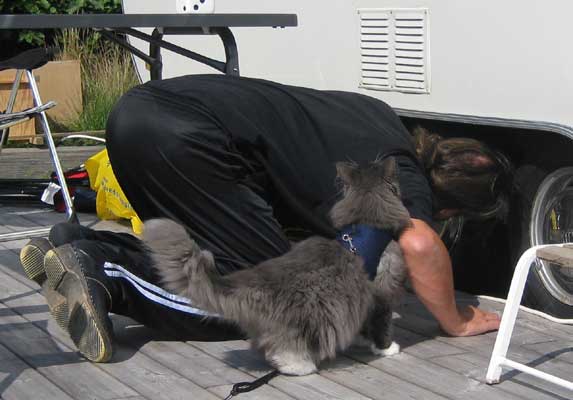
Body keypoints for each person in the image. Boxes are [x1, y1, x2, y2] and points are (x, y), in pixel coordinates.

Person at [19, 74, 512, 363]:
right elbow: (420, 245)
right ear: (450, 204)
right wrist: (456, 319)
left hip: (141, 112)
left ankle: (80, 247)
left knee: (229, 259)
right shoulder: (401, 174)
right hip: (189, 137)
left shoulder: (378, 114)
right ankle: (107, 272)